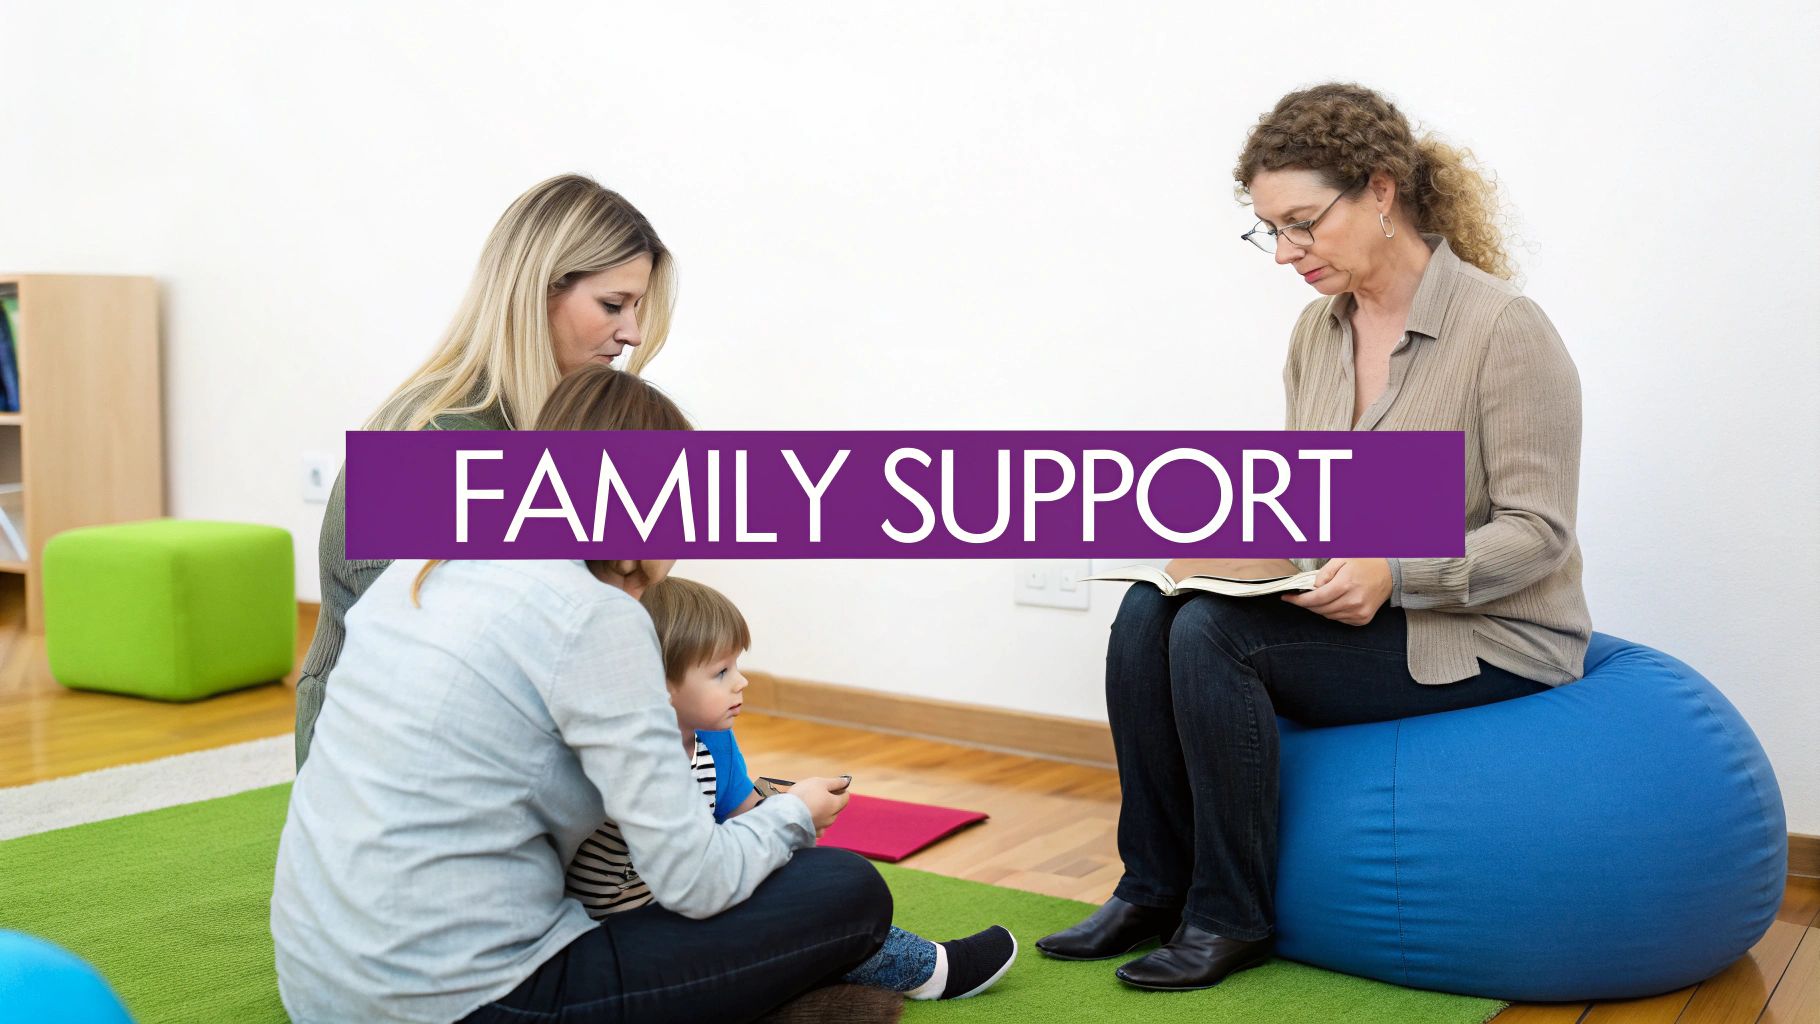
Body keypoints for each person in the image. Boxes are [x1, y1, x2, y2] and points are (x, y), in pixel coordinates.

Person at [1036, 82, 1592, 992]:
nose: (1287, 253)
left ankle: (1231, 916)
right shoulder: (1318, 331)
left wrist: (1396, 573)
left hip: (1489, 634)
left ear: (1381, 191)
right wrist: (1241, 549)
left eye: (1302, 224)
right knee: (1149, 612)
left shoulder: (1503, 329)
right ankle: (1152, 888)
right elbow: (1321, 504)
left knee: (1214, 636)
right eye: (1270, 231)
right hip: (1368, 608)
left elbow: (1538, 534)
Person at [273, 366, 890, 1024]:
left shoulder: (421, 569)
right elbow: (695, 881)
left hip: (315, 987)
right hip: (467, 1002)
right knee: (847, 889)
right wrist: (792, 813)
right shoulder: (595, 616)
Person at [293, 172, 676, 767]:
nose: (633, 333)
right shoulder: (428, 440)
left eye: (637, 307)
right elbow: (444, 664)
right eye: (613, 305)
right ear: (536, 292)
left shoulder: (544, 425)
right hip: (386, 756)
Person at [567, 575, 1019, 1001]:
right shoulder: (626, 760)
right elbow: (700, 873)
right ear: (658, 686)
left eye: (737, 665)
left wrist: (794, 810)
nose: (742, 681)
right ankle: (920, 969)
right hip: (618, 936)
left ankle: (888, 958)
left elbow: (745, 817)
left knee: (808, 879)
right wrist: (790, 817)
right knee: (807, 908)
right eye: (721, 672)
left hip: (682, 906)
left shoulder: (711, 740)